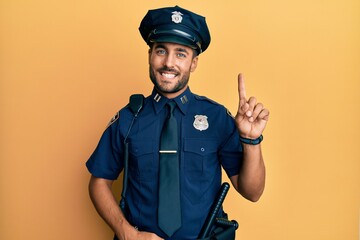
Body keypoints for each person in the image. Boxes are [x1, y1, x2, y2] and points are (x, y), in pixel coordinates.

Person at [86, 5, 269, 240]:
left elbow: (252, 192)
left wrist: (251, 140)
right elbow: (98, 182)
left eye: (181, 53)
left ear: (193, 62)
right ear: (150, 55)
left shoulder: (216, 118)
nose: (168, 63)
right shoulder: (128, 119)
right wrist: (126, 233)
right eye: (161, 50)